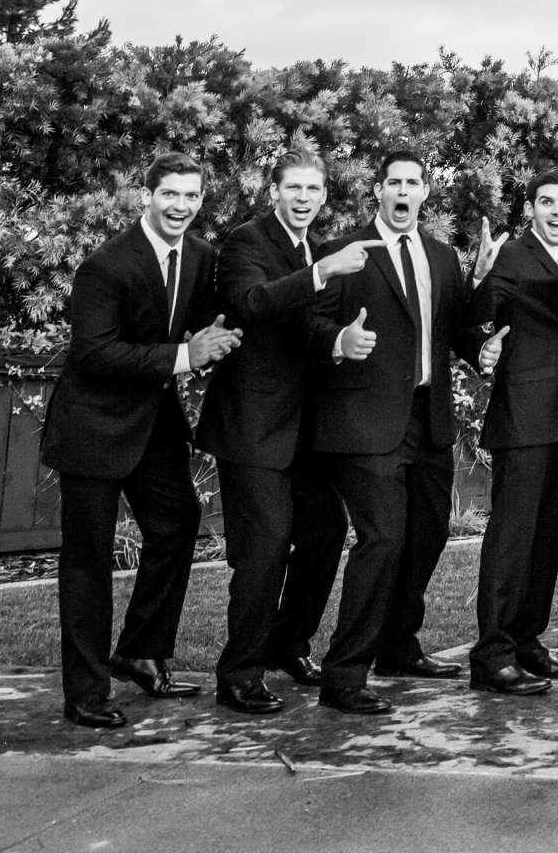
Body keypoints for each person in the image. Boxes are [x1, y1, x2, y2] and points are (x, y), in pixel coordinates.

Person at [41, 153, 242, 729]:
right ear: (146, 196)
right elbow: (93, 352)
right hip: (92, 428)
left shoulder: (202, 256)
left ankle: (141, 650)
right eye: (169, 195)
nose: (180, 206)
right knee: (88, 562)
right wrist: (184, 356)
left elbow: (218, 317)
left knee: (177, 524)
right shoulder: (105, 265)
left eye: (191, 196)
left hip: (152, 424)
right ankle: (85, 692)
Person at [307, 149, 494, 715]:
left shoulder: (442, 256)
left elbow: (455, 328)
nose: (404, 191)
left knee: (428, 533)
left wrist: (480, 342)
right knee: (383, 539)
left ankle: (397, 645)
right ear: (379, 192)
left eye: (414, 183)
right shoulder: (348, 252)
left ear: (426, 193)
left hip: (428, 417)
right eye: (395, 183)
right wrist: (338, 342)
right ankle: (343, 676)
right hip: (364, 422)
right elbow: (310, 322)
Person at [201, 149, 363, 713]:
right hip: (251, 426)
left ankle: (289, 645)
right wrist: (319, 274)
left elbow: (306, 325)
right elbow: (252, 303)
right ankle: (239, 674)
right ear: (273, 192)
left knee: (324, 531)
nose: (303, 199)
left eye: (313, 190)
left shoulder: (314, 249)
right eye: (293, 188)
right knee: (265, 546)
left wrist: (339, 341)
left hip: (301, 433)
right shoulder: (247, 243)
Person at [466, 170, 558, 696]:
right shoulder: (512, 257)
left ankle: (526, 639)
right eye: (547, 203)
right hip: (523, 419)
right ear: (530, 208)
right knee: (513, 539)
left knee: (546, 539)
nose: (557, 211)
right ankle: (492, 653)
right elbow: (475, 320)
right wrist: (479, 279)